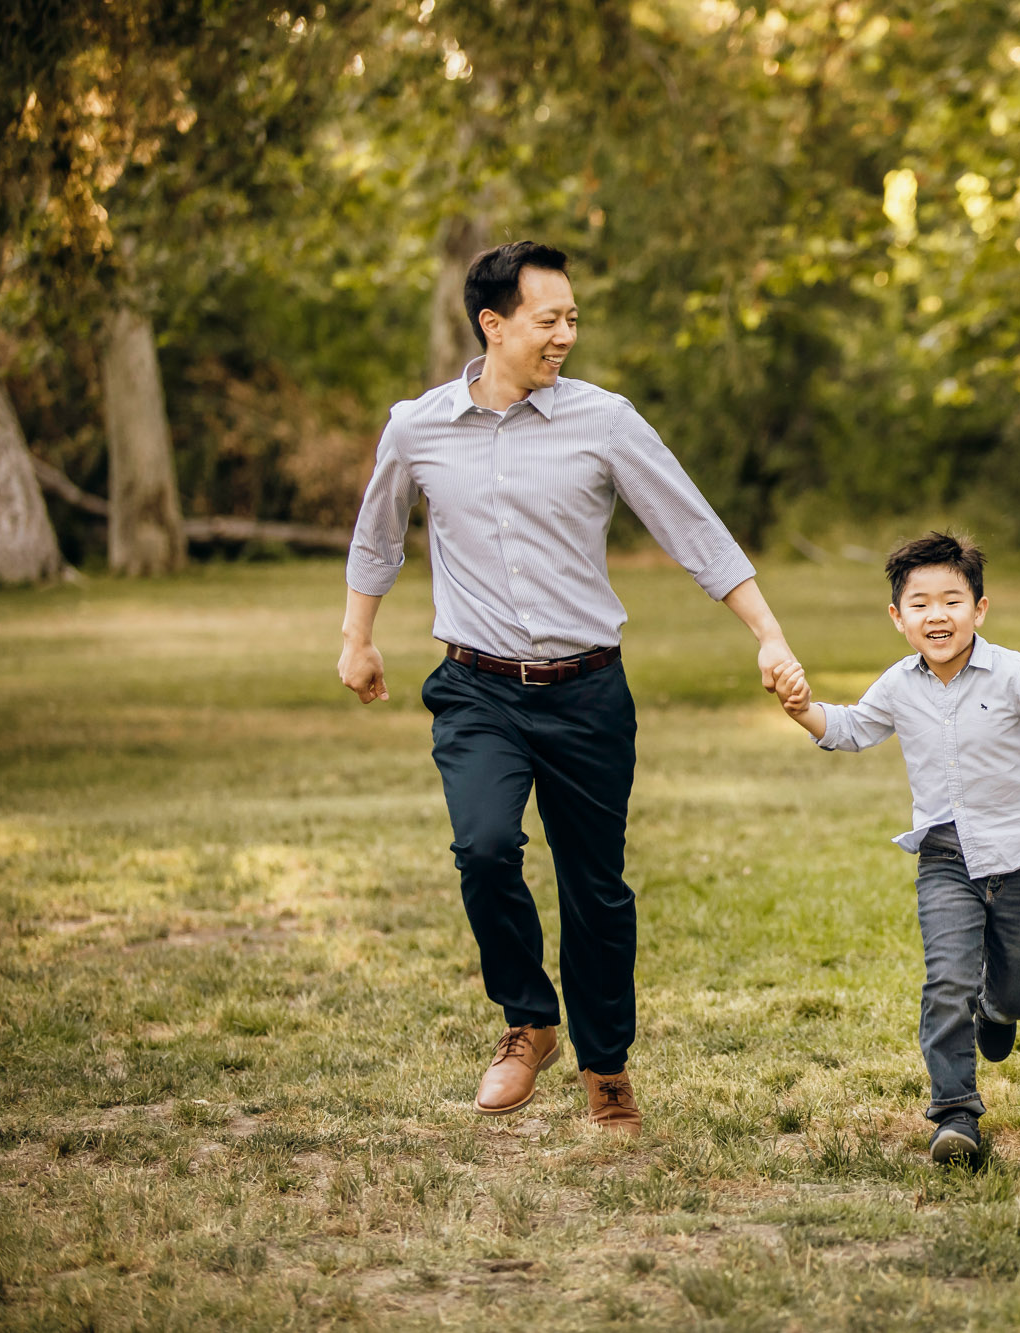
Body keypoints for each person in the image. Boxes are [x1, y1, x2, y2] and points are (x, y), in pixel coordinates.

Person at [336, 241, 798, 1136]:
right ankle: (528, 1021)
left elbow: (692, 527)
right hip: (477, 688)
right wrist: (357, 638)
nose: (565, 335)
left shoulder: (605, 420)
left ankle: (606, 1065)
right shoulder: (418, 426)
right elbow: (377, 536)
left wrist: (767, 631)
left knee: (596, 889)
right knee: (482, 849)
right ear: (494, 324)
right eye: (550, 319)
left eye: (573, 318)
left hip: (587, 692)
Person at [771, 533, 1020, 1165]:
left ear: (979, 610)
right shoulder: (899, 686)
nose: (938, 616)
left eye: (952, 601)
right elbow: (850, 728)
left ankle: (998, 1008)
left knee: (1018, 990)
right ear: (898, 618)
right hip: (945, 858)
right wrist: (803, 711)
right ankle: (954, 1114)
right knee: (946, 980)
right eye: (920, 603)